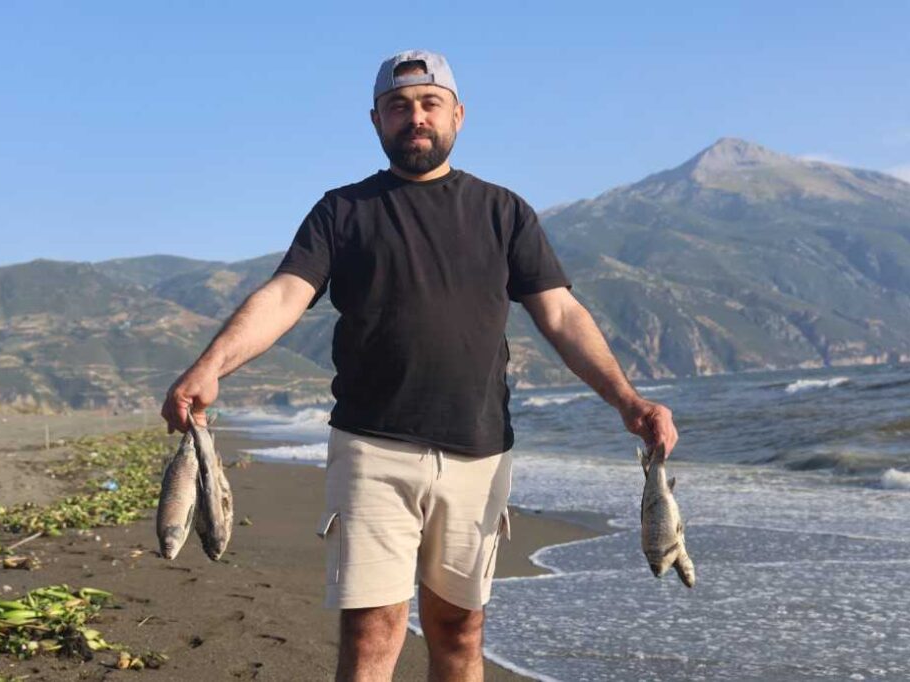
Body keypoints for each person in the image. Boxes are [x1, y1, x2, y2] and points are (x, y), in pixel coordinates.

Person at [161, 49, 678, 682]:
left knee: (460, 631)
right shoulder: (341, 211)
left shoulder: (504, 211)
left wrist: (628, 400)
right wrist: (211, 365)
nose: (416, 117)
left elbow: (562, 314)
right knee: (372, 631)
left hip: (480, 451)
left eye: (431, 103)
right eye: (398, 106)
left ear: (458, 114)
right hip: (371, 446)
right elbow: (285, 295)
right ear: (375, 120)